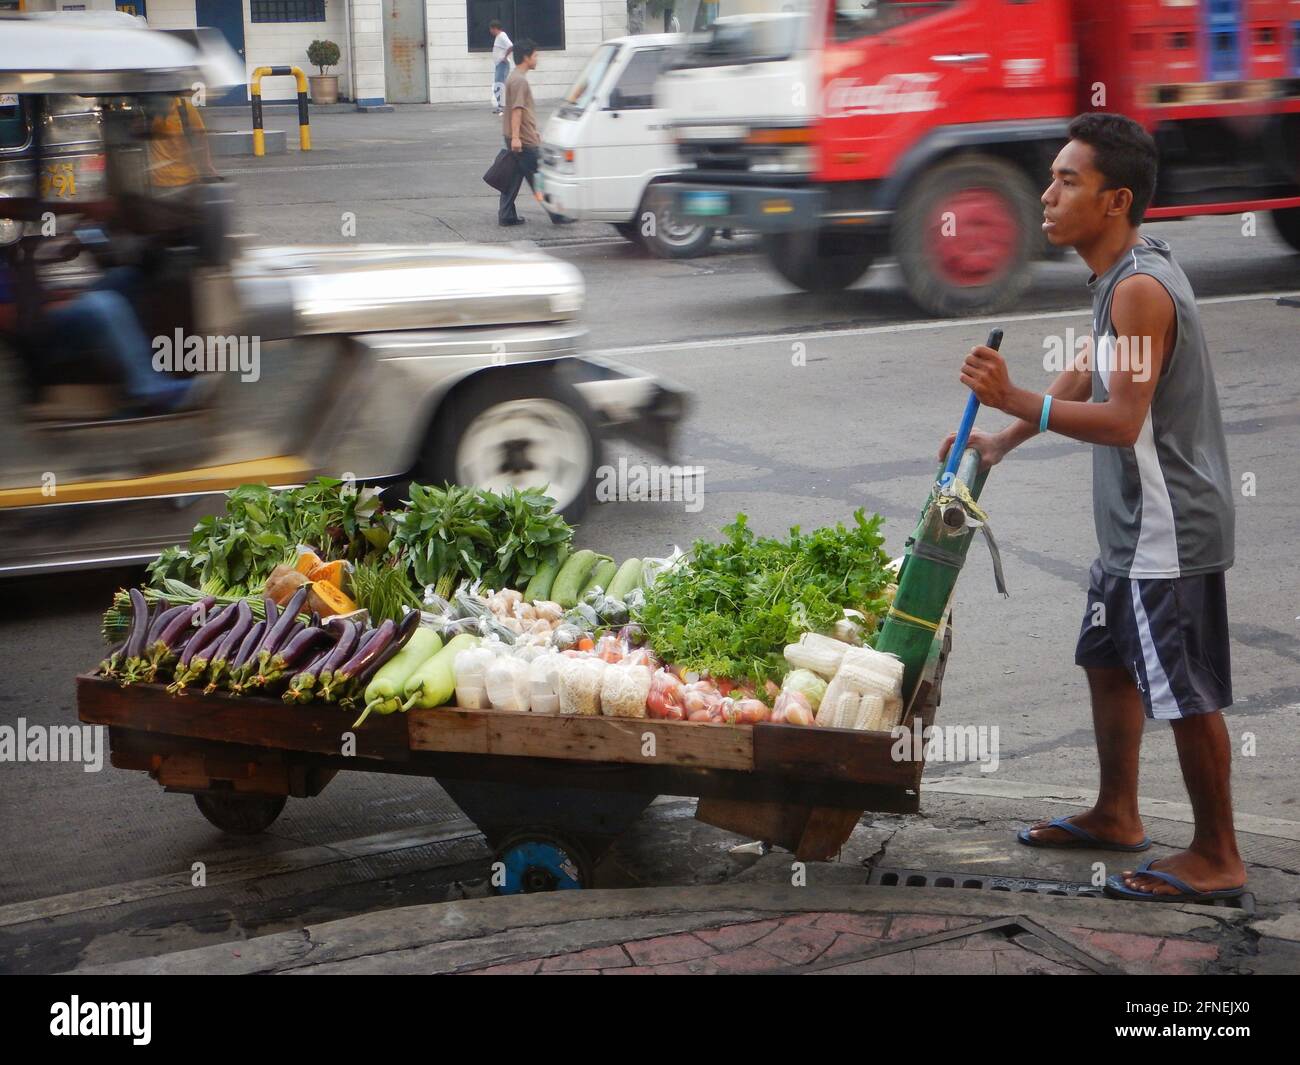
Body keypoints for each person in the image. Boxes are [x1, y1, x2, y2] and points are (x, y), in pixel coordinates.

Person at [940, 112, 1244, 903]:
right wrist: (1001, 439)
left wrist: (1017, 397)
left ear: (1114, 201)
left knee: (1183, 690)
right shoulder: (1119, 274)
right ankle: (1117, 812)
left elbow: (1123, 419)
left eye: (1067, 180)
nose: (1046, 194)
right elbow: (1088, 370)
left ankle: (1218, 853)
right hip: (1130, 528)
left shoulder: (1141, 290)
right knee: (1107, 661)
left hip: (1166, 530)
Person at [498, 39, 572, 228]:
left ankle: (506, 215)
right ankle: (556, 213)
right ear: (526, 57)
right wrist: (517, 137)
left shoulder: (513, 77)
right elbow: (517, 110)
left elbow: (520, 111)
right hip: (523, 141)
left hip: (519, 137)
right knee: (540, 178)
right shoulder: (520, 81)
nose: (537, 58)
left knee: (513, 177)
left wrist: (530, 131)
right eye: (535, 55)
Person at [489, 19, 512, 116]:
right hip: (499, 64)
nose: (490, 31)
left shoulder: (502, 36)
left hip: (502, 64)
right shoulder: (499, 37)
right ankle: (501, 106)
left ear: (494, 28)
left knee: (499, 85)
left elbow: (511, 46)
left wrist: (505, 57)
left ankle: (502, 107)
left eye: (490, 29)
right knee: (499, 85)